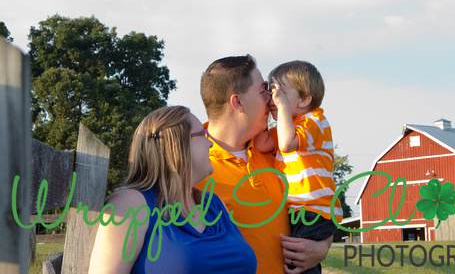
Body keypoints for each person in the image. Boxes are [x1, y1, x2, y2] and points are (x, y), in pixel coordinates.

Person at [198, 55, 332, 274]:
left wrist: (321, 247)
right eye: (263, 90)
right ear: (238, 102)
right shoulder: (190, 167)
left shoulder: (277, 151)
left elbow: (315, 205)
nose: (271, 98)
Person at [88, 105, 257, 274]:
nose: (210, 143)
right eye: (203, 134)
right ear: (176, 143)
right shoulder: (131, 204)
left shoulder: (214, 204)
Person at [253, 61, 341, 274]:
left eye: (280, 92)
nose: (274, 98)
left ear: (304, 99)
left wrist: (281, 107)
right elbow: (261, 144)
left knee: (298, 263)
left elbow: (286, 144)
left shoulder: (314, 120)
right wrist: (262, 112)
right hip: (298, 209)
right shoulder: (287, 127)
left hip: (314, 209)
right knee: (294, 262)